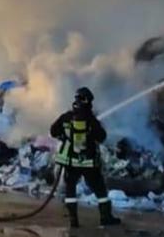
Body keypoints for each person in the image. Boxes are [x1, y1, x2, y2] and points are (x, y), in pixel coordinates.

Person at [50, 86, 120, 228]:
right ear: (88, 101)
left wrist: (63, 136)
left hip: (71, 162)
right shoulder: (91, 120)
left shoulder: (66, 117)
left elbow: (53, 131)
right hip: (88, 163)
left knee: (70, 191)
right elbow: (101, 137)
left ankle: (73, 220)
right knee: (100, 190)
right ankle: (105, 218)